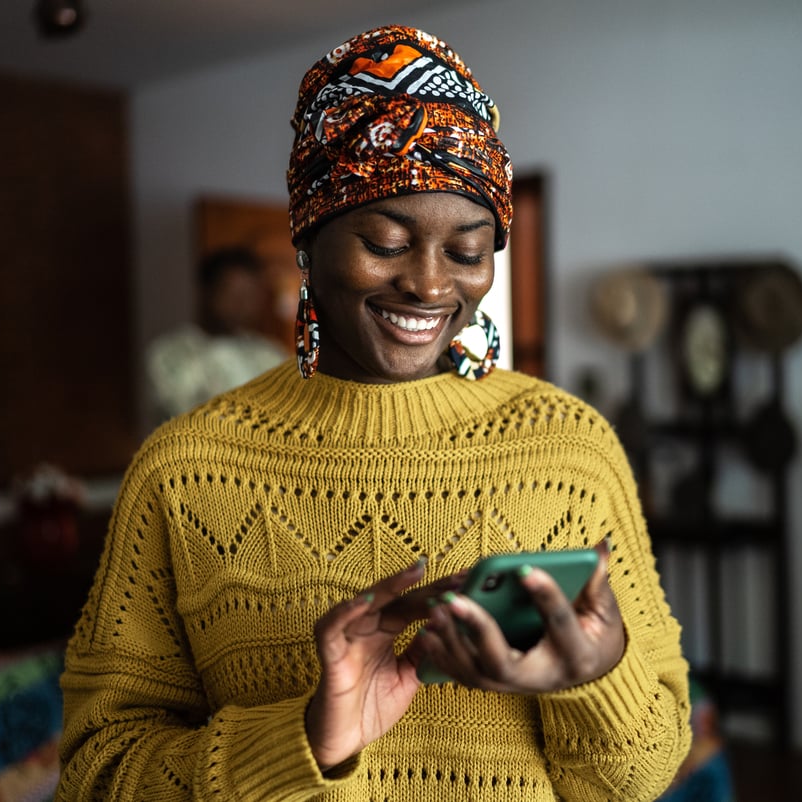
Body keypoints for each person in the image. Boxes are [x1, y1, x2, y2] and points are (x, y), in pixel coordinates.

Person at [57, 25, 691, 801]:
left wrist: (598, 676)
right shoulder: (183, 469)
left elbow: (639, 777)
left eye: (466, 252)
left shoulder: (568, 447)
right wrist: (305, 742)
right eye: (385, 242)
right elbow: (97, 775)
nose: (429, 286)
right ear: (309, 239)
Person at [146, 246, 288, 420]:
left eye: (250, 296)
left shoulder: (269, 354)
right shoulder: (171, 353)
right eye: (234, 295)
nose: (243, 305)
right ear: (207, 292)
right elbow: (184, 414)